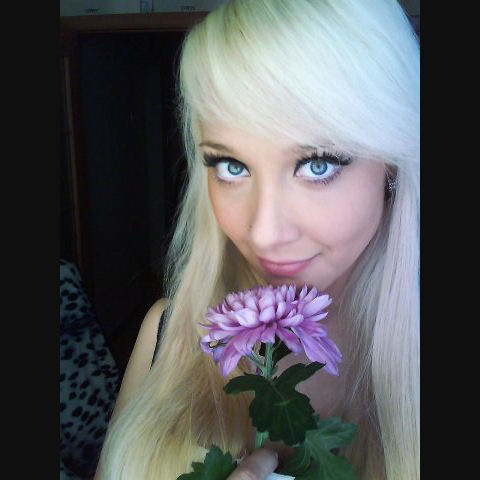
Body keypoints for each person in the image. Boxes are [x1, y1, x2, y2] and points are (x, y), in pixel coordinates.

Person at [94, 0, 419, 478]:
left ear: (392, 164)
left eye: (317, 165)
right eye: (231, 166)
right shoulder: (165, 335)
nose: (264, 233)